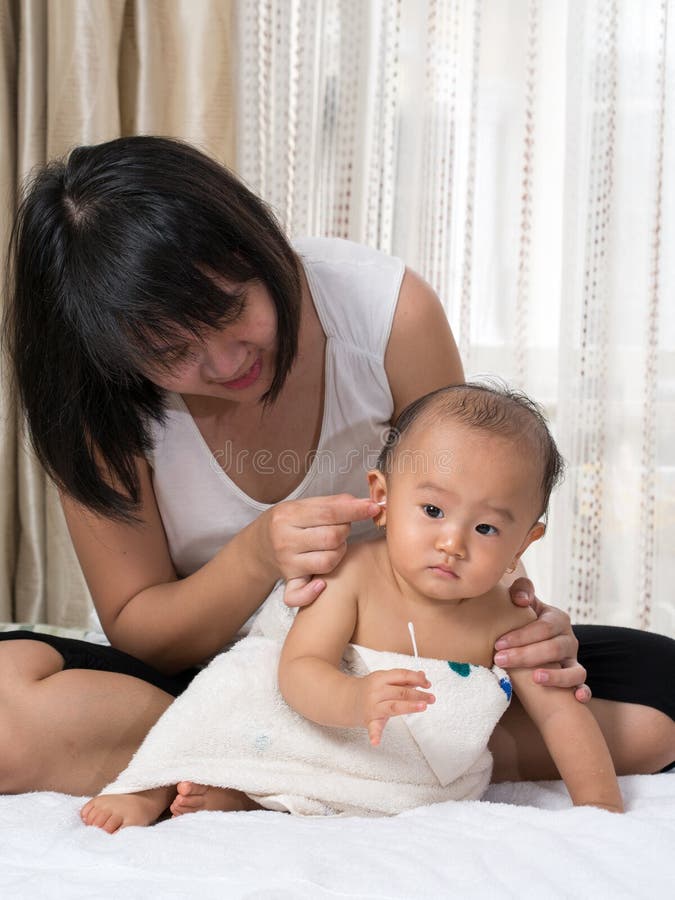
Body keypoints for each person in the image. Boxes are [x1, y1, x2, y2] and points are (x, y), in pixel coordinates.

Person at [1, 136, 673, 800]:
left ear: (255, 244)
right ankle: (353, 757)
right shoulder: (98, 404)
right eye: (173, 352)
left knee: (663, 679)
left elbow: (471, 499)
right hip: (205, 672)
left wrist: (521, 623)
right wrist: (257, 555)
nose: (226, 361)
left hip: (399, 653)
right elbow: (142, 632)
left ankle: (317, 760)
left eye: (232, 311)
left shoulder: (384, 313)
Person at [80, 383, 623, 831]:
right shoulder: (353, 576)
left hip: (395, 771)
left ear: (524, 542)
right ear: (382, 500)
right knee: (234, 686)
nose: (452, 542)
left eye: (486, 528)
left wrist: (601, 810)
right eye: (432, 509)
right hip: (313, 716)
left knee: (379, 791)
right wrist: (356, 697)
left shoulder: (508, 617)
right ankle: (148, 787)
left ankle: (250, 802)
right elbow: (299, 671)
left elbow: (562, 714)